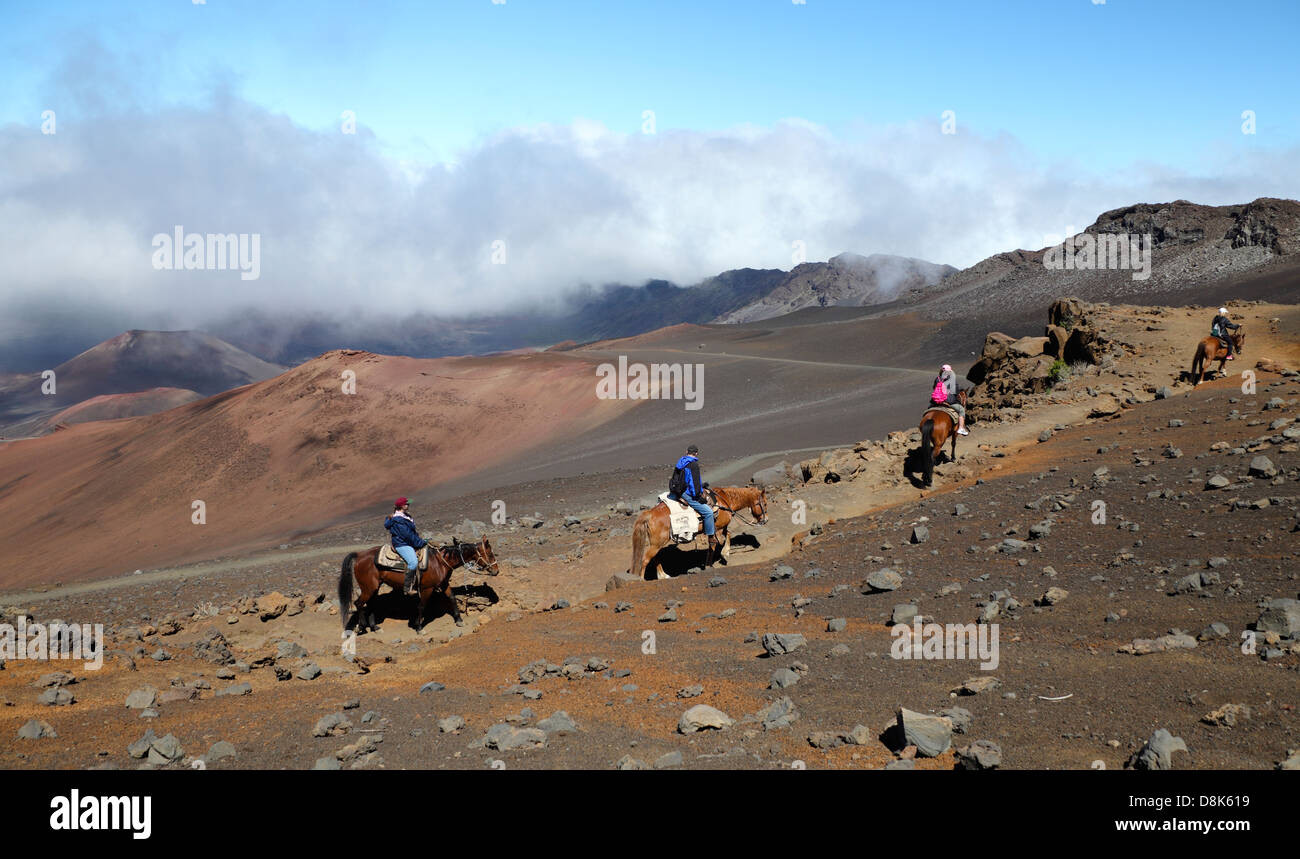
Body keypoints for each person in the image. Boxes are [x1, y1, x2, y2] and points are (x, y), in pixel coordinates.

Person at [668, 444, 718, 551]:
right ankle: (711, 536)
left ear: (686, 452)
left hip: (678, 490)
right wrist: (699, 497)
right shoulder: (693, 465)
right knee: (708, 512)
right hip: (686, 493)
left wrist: (701, 486)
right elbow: (693, 484)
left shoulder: (681, 461)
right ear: (696, 453)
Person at [384, 497, 427, 596]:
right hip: (402, 544)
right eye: (407, 504)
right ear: (402, 506)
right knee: (413, 562)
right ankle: (407, 588)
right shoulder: (398, 520)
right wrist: (420, 543)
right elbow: (407, 535)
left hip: (408, 541)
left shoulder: (405, 516)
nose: (408, 505)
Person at [932, 363, 968, 435]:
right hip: (949, 401)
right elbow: (956, 390)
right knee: (961, 410)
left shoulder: (937, 379)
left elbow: (934, 387)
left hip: (937, 401)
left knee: (930, 409)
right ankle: (961, 428)